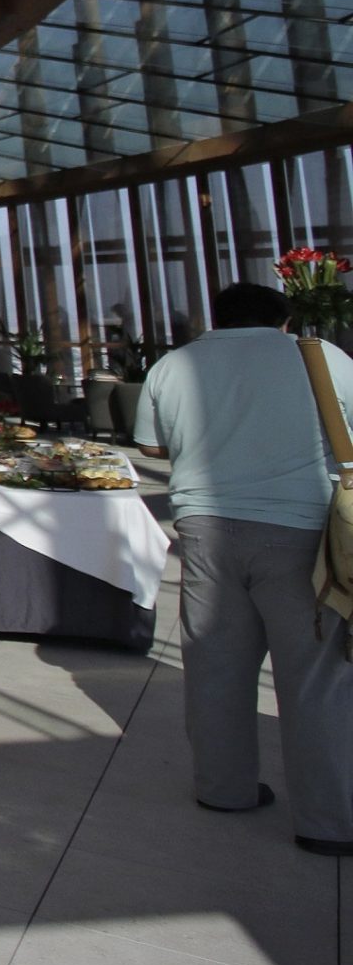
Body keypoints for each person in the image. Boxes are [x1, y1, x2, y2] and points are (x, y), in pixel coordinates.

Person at [135, 280, 353, 857]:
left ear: (219, 319)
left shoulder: (172, 365)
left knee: (215, 664)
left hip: (203, 530)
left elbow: (151, 447)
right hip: (300, 534)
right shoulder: (320, 357)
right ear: (283, 321)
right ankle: (328, 823)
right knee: (315, 678)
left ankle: (224, 789)